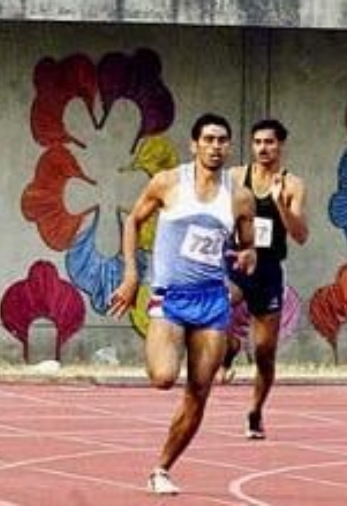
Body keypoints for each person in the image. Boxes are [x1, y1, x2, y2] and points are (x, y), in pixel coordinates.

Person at [108, 113, 256, 495]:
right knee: (163, 377)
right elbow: (132, 222)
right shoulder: (168, 182)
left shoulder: (239, 196)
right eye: (208, 139)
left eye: (222, 140)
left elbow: (247, 243)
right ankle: (231, 347)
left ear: (228, 146)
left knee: (199, 391)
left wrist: (247, 256)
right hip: (171, 298)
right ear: (194, 145)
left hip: (212, 301)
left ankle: (161, 468)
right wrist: (131, 275)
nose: (215, 146)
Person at [216, 119, 308, 440]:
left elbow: (300, 235)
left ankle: (255, 411)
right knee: (219, 304)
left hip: (268, 269)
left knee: (265, 351)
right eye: (257, 142)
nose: (263, 148)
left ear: (280, 145)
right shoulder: (234, 178)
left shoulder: (293, 184)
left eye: (269, 142)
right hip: (237, 260)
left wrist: (282, 205)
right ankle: (228, 346)